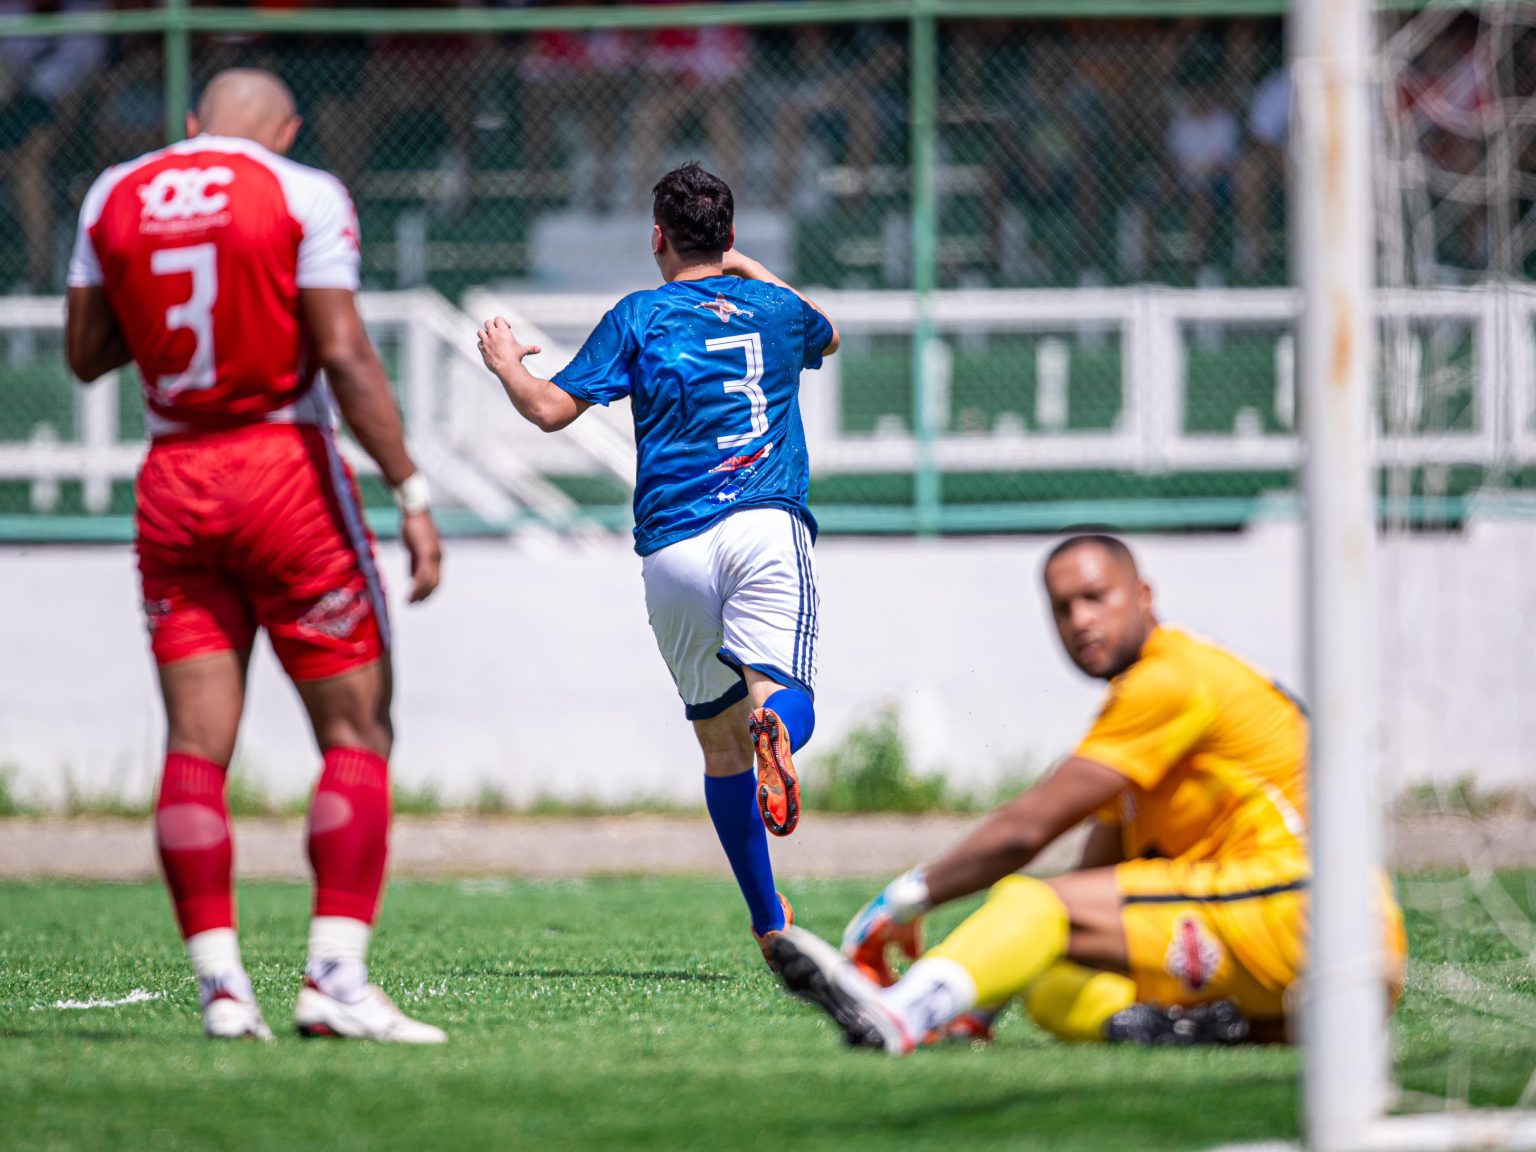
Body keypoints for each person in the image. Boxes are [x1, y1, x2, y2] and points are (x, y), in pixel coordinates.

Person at [65, 68, 446, 1044]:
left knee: (196, 748)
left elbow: (84, 351)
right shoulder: (301, 190)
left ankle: (223, 988)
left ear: (193, 125)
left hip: (174, 475)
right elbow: (346, 353)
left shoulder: (115, 192)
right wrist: (410, 489)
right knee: (358, 732)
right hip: (283, 468)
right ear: (285, 130)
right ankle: (334, 978)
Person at [769, 534, 1407, 1052]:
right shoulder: (1140, 711)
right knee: (1050, 976)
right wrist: (982, 991)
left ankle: (899, 1016)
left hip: (1316, 915)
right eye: (1063, 607)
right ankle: (1185, 1032)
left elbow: (1029, 832)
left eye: (1096, 598)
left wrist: (901, 903)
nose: (1081, 621)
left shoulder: (1172, 679)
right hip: (1282, 959)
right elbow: (1090, 891)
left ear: (1144, 595)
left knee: (1033, 901)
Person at [477, 161, 839, 961]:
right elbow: (828, 330)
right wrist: (743, 268)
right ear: (733, 236)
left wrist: (506, 360)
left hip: (673, 549)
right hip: (763, 527)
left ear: (656, 239)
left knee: (720, 748)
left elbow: (546, 411)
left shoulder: (639, 315)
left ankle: (768, 916)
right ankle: (780, 727)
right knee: (781, 695)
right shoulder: (777, 309)